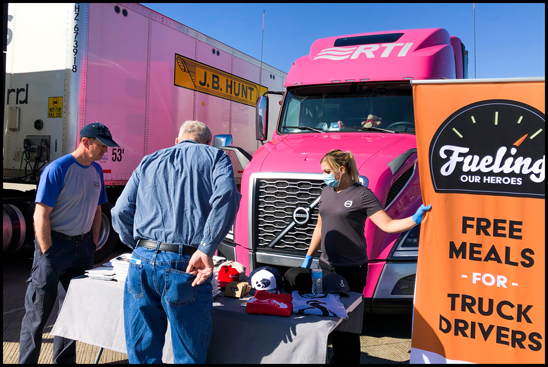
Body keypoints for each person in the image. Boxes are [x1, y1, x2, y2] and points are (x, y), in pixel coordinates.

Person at [111, 120, 241, 364]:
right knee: (188, 354)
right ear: (208, 142)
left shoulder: (149, 160)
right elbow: (225, 198)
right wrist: (206, 247)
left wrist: (138, 247)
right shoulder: (215, 157)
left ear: (177, 140)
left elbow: (119, 212)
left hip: (142, 261)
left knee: (142, 353)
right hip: (186, 263)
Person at [301, 149, 431, 364]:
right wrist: (308, 255)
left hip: (351, 269)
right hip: (327, 266)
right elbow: (320, 226)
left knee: (348, 326)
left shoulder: (362, 195)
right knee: (328, 320)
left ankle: (349, 361)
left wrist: (415, 220)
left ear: (341, 170)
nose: (322, 175)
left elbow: (388, 225)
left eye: (326, 171)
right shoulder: (326, 192)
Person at [19, 122, 119, 364]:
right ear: (86, 142)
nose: (105, 151)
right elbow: (40, 213)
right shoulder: (58, 169)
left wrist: (92, 245)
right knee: (38, 314)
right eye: (102, 145)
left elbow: (97, 211)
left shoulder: (95, 171)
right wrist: (47, 251)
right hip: (56, 248)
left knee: (72, 314)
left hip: (82, 250)